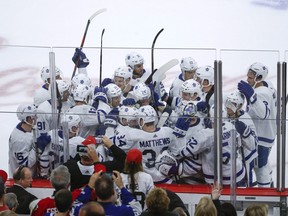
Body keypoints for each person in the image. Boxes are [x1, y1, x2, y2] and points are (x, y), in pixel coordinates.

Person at [112, 105, 179, 184]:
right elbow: (176, 153)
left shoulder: (134, 135)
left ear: (142, 120)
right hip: (165, 178)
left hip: (144, 180)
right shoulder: (168, 132)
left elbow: (110, 143)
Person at [237, 62, 277, 187]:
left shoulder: (262, 93)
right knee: (263, 164)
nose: (247, 79)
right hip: (267, 135)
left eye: (250, 77)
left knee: (259, 168)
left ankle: (264, 193)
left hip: (261, 138)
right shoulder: (268, 86)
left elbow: (263, 114)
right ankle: (269, 183)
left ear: (259, 78)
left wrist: (252, 96)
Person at [30, 165, 99, 216]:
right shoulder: (77, 197)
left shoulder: (41, 204)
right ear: (69, 183)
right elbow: (92, 189)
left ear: (51, 183)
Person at [225, 91, 258, 187]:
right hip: (233, 158)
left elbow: (253, 145)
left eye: (233, 104)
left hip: (245, 159)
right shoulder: (226, 115)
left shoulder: (245, 119)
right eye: (228, 102)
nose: (228, 106)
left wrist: (245, 133)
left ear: (239, 106)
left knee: (244, 186)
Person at [8, 104, 38, 177]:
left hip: (29, 177)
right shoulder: (19, 140)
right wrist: (36, 147)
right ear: (27, 119)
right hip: (21, 180)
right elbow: (25, 164)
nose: (36, 118)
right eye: (33, 117)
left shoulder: (28, 128)